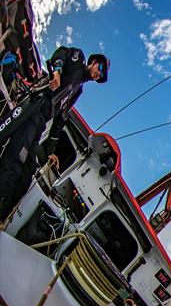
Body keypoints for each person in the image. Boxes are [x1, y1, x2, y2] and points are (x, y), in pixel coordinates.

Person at [0, 46, 108, 220]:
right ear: (94, 62)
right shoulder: (78, 59)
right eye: (100, 69)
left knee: (28, 171)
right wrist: (57, 72)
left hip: (41, 122)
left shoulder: (78, 90)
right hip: (35, 107)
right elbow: (61, 54)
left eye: (101, 76)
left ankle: (3, 214)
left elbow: (59, 122)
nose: (98, 75)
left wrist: (51, 152)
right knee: (16, 159)